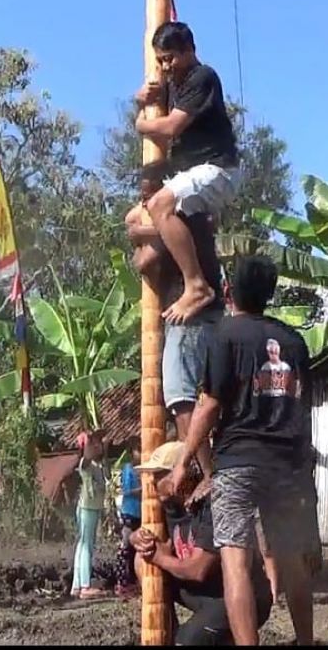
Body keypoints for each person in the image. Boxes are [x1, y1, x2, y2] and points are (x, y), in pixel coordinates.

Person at [171, 255, 318, 646]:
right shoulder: (295, 342)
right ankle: (306, 641)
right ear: (270, 294)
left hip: (238, 460)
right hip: (286, 463)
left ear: (229, 290)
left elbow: (210, 403)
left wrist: (183, 462)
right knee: (292, 560)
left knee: (235, 559)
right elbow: (303, 409)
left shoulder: (225, 334)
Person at [134, 21, 241, 325]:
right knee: (135, 218)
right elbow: (154, 117)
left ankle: (196, 286)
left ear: (189, 50)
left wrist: (141, 123)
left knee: (159, 205)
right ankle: (169, 252)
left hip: (218, 169)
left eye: (171, 58)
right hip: (193, 172)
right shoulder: (171, 86)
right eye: (161, 60)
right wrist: (140, 103)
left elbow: (169, 128)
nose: (166, 66)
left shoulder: (201, 78)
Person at [126, 161, 225, 484]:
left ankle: (203, 473)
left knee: (180, 395)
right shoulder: (185, 217)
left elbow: (145, 259)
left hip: (190, 314)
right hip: (199, 315)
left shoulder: (179, 216)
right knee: (201, 393)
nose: (145, 205)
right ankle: (203, 469)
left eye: (148, 197)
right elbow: (142, 260)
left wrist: (140, 230)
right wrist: (142, 230)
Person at [131, 441, 273, 645]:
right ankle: (171, 635)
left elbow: (198, 569)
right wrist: (135, 538)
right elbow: (139, 539)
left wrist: (160, 557)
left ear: (180, 475)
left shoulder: (211, 507)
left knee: (187, 642)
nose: (152, 482)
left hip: (235, 598)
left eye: (159, 475)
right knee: (141, 561)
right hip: (206, 594)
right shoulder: (171, 506)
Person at [72, 432, 108, 599]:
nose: (99, 445)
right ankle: (85, 586)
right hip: (88, 507)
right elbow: (86, 457)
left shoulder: (96, 464)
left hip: (91, 507)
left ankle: (77, 585)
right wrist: (88, 443)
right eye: (96, 443)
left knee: (83, 544)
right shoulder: (85, 464)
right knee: (86, 545)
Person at [114, 439, 143, 597]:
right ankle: (121, 583)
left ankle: (133, 581)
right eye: (138, 450)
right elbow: (126, 491)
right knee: (125, 548)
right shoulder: (128, 469)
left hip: (139, 512)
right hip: (129, 512)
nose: (141, 453)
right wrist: (144, 488)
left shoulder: (142, 469)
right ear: (132, 452)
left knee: (136, 548)